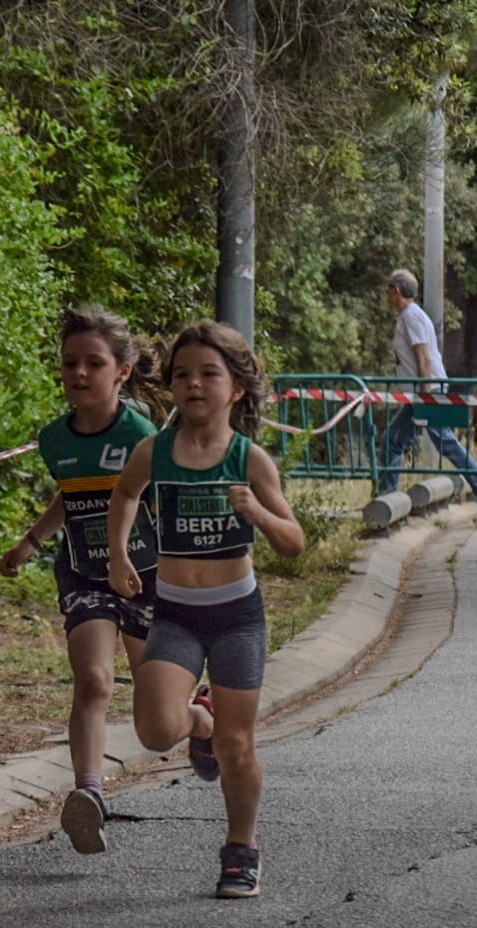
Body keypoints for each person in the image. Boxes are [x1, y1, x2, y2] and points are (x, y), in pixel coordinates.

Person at [106, 320, 305, 898]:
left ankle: (241, 848)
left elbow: (293, 543)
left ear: (236, 388)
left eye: (209, 374)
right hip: (176, 615)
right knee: (153, 730)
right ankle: (199, 718)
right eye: (183, 375)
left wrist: (259, 515)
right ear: (170, 387)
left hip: (237, 618)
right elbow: (124, 495)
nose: (194, 384)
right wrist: (120, 555)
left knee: (237, 748)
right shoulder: (154, 452)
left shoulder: (249, 459)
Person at [0, 305, 162, 856]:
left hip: (146, 575)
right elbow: (72, 495)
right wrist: (31, 541)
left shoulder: (141, 432)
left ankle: (200, 718)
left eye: (95, 363)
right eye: (70, 362)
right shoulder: (54, 438)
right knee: (92, 680)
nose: (80, 373)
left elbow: (162, 497)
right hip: (85, 571)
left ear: (123, 370)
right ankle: (88, 795)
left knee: (153, 709)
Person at [378, 268, 477, 519]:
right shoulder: (413, 315)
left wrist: (426, 395)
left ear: (396, 291)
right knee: (394, 439)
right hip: (424, 392)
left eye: (389, 290)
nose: (387, 296)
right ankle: (386, 498)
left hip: (427, 390)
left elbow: (422, 356)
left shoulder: (410, 317)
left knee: (445, 442)